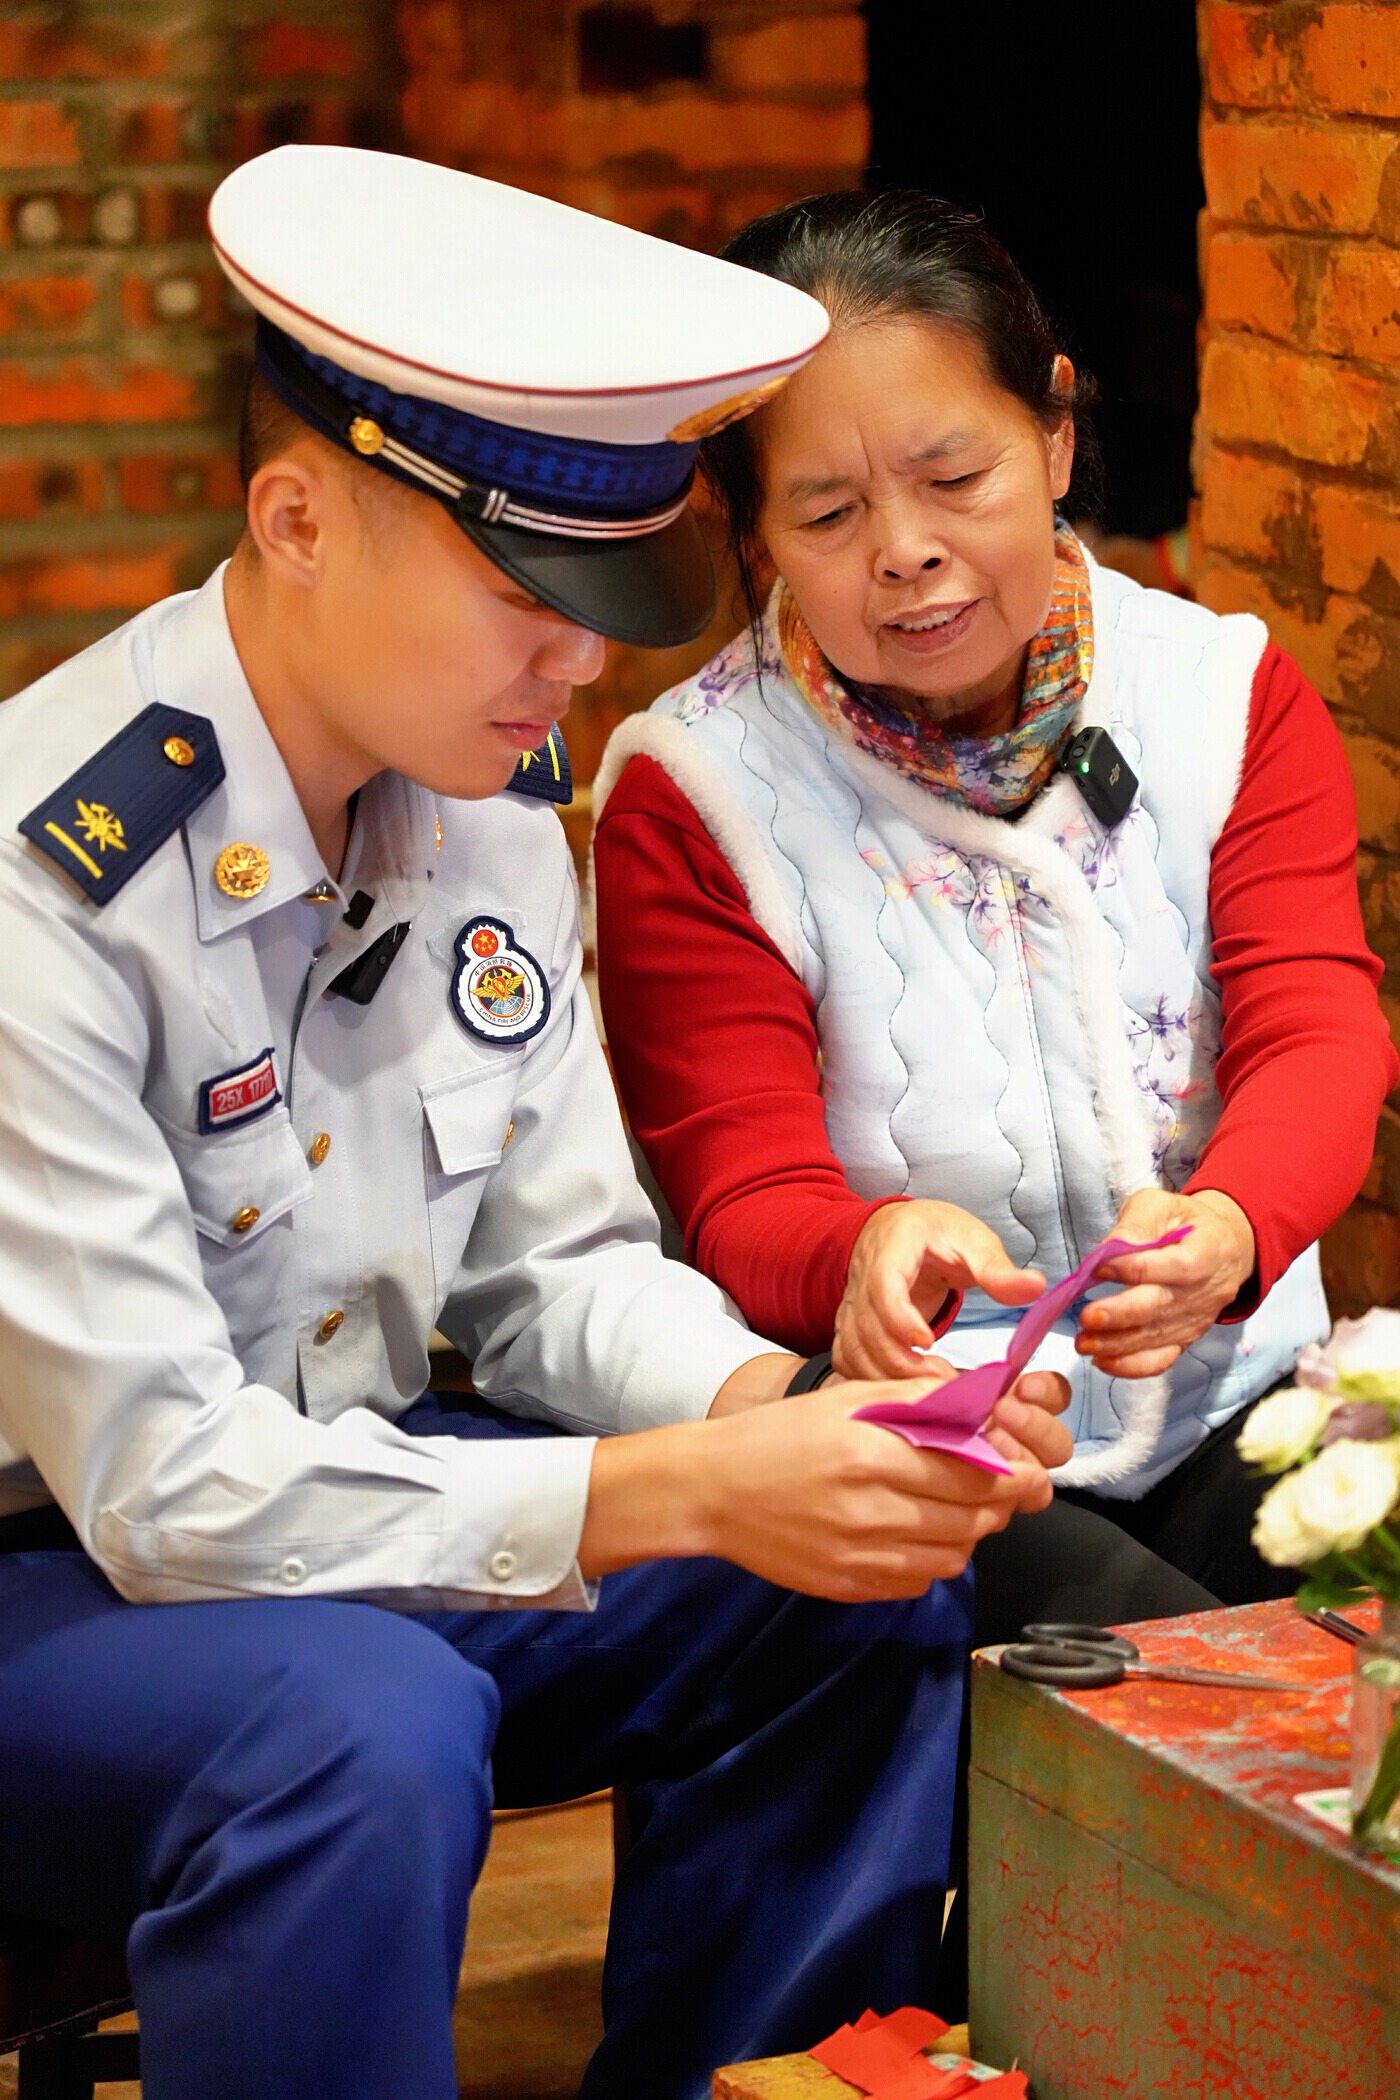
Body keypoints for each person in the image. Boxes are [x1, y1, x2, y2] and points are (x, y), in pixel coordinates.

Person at [0, 149, 1079, 2100]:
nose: (583, 662)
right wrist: (672, 1492)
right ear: (299, 517)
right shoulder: (46, 880)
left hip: (370, 1491)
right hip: (59, 1572)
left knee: (855, 1569)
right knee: (363, 1726)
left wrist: (784, 1424)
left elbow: (554, 1275)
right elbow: (158, 1489)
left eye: (610, 604)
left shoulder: (483, 805)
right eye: (528, 596)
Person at [592, 189, 1398, 1617]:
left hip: (1240, 1404)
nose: (901, 550)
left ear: (1059, 433)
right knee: (1165, 1700)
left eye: (954, 478)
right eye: (828, 512)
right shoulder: (690, 791)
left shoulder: (1224, 696)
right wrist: (862, 1252)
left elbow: (1318, 1028)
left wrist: (1233, 1224)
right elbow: (739, 1186)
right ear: (758, 533)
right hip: (937, 1457)